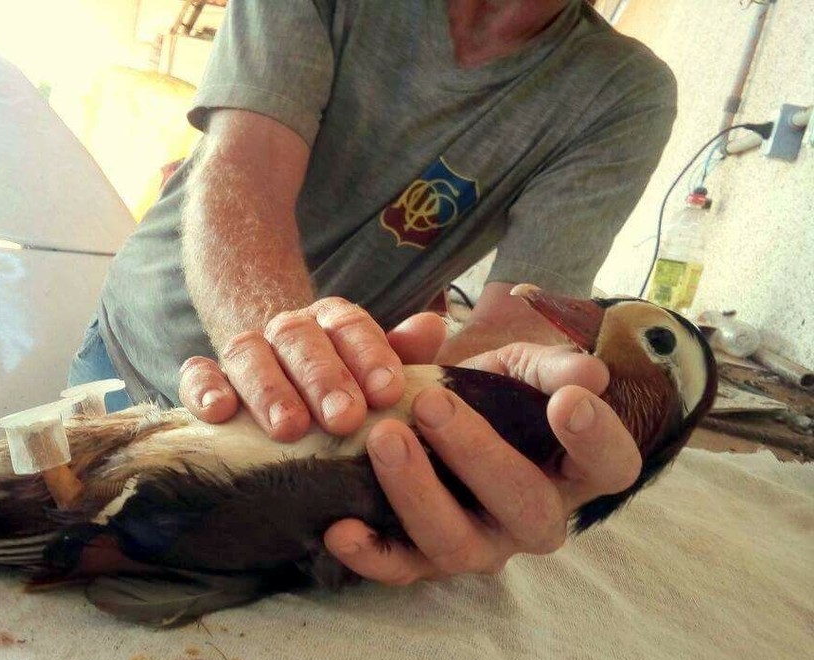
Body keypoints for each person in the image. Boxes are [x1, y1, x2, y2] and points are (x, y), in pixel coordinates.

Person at [69, 0, 675, 586]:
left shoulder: (621, 92)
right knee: (44, 522)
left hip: (318, 434)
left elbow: (514, 330)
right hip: (133, 356)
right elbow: (246, 169)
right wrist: (293, 386)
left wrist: (464, 461)